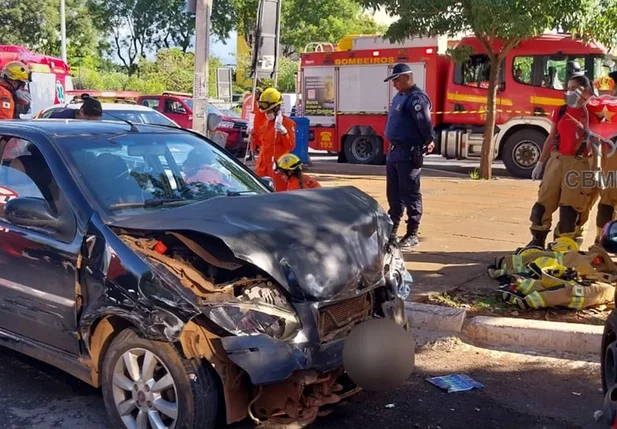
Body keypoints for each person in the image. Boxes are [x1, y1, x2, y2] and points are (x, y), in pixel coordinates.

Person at [527, 74, 597, 248]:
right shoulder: (561, 111)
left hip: (580, 165)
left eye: (575, 88)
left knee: (570, 212)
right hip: (556, 161)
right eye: (569, 88)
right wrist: (540, 163)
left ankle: (564, 245)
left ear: (586, 91)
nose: (570, 92)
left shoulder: (594, 114)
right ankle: (537, 239)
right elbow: (551, 139)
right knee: (541, 206)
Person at [383, 63, 435, 249]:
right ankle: (392, 232)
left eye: (397, 80)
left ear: (407, 77)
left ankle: (412, 232)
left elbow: (425, 124)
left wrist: (428, 140)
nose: (394, 84)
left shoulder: (416, 99)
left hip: (408, 152)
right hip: (394, 152)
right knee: (394, 195)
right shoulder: (400, 96)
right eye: (393, 81)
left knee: (410, 193)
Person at [254, 87, 296, 192]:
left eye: (269, 111)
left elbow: (290, 146)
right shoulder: (266, 123)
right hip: (263, 167)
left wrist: (284, 132)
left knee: (278, 194)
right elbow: (262, 142)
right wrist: (253, 133)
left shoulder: (287, 123)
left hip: (278, 168)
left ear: (277, 107)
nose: (267, 113)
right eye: (265, 111)